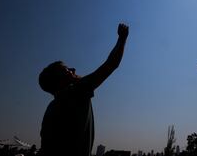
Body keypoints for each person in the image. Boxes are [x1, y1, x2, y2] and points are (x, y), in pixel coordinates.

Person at [38, 23, 129, 156]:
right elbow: (111, 64)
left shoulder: (52, 107)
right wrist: (122, 38)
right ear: (59, 81)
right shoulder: (74, 93)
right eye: (67, 70)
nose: (73, 69)